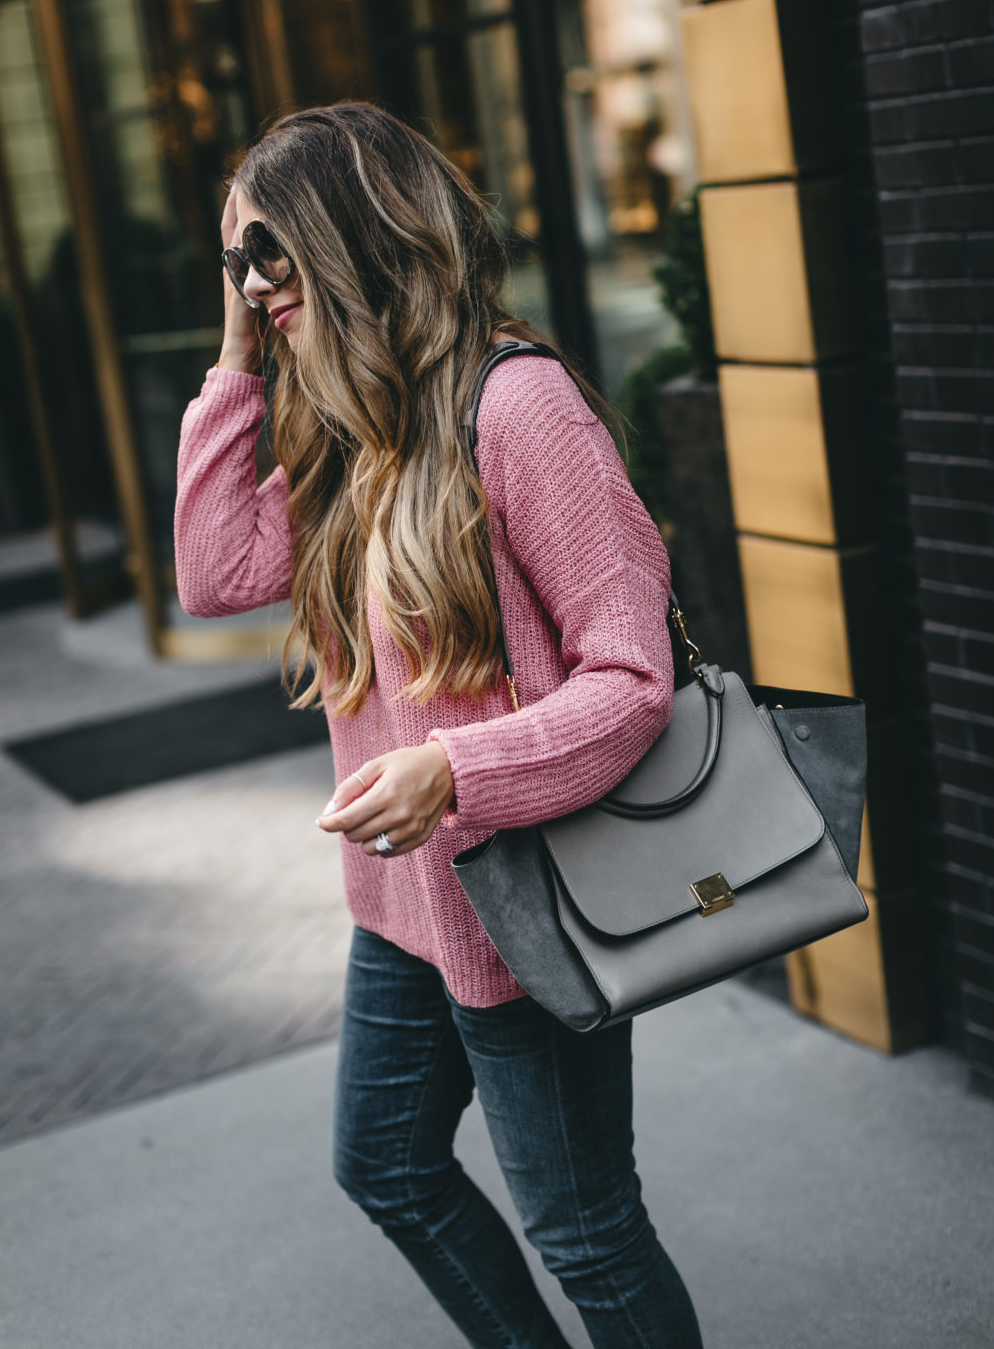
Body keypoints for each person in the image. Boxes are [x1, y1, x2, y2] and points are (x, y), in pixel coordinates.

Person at [173, 102, 702, 1349]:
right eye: (234, 265)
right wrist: (238, 361)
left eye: (271, 257)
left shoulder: (516, 411)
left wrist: (452, 766)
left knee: (584, 1231)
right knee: (390, 1171)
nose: (253, 290)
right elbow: (211, 570)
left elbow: (630, 681)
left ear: (353, 239)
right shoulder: (363, 428)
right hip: (403, 913)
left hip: (523, 910)